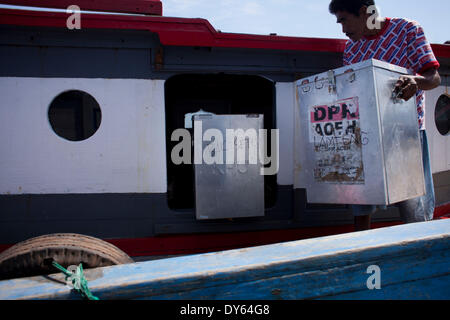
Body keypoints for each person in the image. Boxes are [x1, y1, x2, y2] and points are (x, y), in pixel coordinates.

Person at [328, 0, 441, 231]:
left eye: (344, 20)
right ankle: (364, 254)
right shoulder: (351, 49)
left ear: (362, 11)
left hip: (406, 135)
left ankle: (419, 257)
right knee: (361, 206)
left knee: (415, 212)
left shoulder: (408, 29)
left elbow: (433, 78)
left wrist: (415, 82)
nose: (342, 29)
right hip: (365, 139)